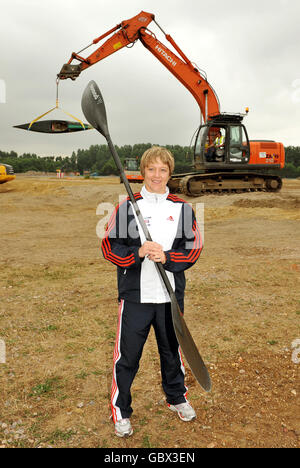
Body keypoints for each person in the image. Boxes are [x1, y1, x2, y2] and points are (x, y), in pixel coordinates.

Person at [101, 146, 203, 437]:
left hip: (170, 297)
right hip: (136, 296)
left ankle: (177, 398)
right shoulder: (127, 206)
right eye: (151, 169)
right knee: (128, 357)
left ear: (170, 174)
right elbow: (109, 246)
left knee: (172, 352)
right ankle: (121, 411)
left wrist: (168, 257)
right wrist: (138, 253)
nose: (157, 175)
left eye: (163, 170)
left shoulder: (182, 208)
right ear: (142, 172)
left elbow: (194, 248)